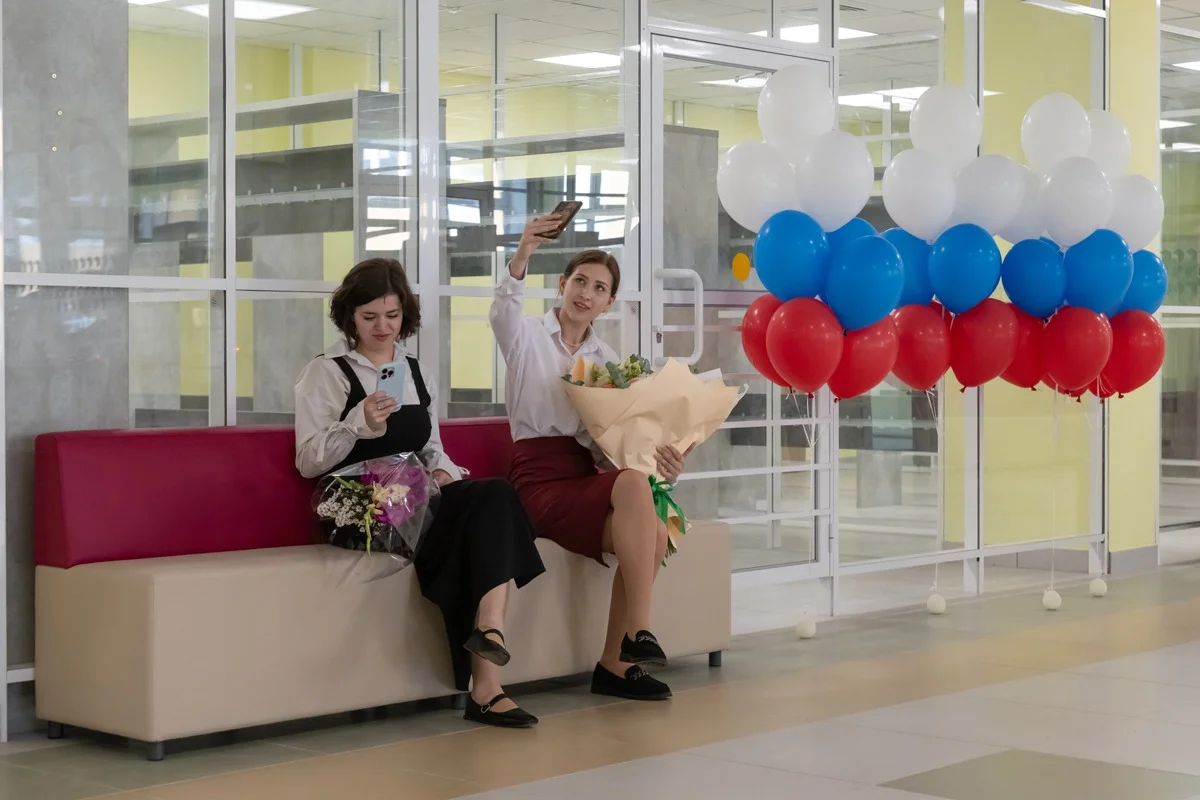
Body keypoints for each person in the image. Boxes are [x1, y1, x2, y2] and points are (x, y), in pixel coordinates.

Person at [295, 257, 546, 729]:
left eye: (392, 316)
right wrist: (358, 423)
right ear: (350, 316)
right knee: (478, 529)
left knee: (494, 496)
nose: (382, 327)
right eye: (369, 317)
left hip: (416, 499)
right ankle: (486, 688)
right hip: (359, 507)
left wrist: (444, 474)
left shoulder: (415, 371)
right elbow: (309, 460)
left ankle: (490, 630)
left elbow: (433, 449)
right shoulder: (326, 373)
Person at [489, 215, 689, 702]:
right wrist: (523, 251)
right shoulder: (525, 337)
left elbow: (610, 447)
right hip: (536, 478)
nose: (586, 293)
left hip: (582, 472)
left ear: (609, 302)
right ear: (562, 285)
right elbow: (503, 308)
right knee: (638, 498)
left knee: (653, 524)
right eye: (580, 281)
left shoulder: (608, 361)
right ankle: (636, 637)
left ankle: (616, 663)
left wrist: (663, 459)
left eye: (599, 288)